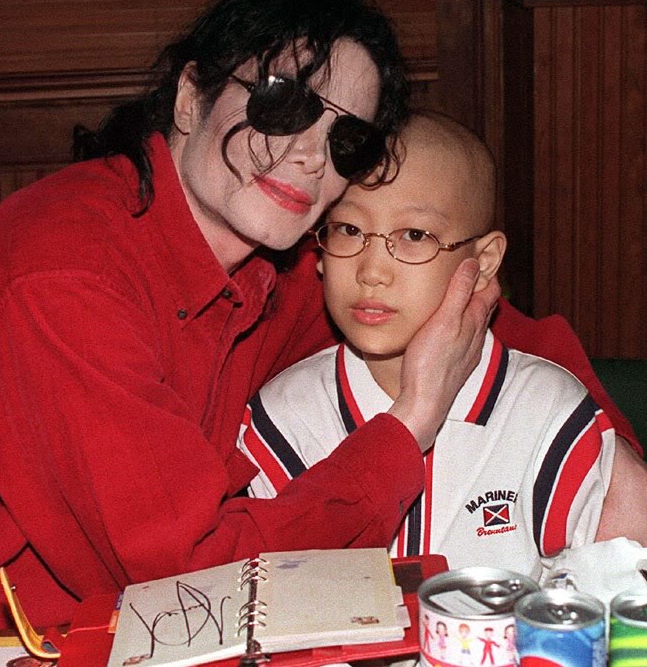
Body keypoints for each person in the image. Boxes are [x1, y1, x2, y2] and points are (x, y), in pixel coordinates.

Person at [0, 0, 639, 635]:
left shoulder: (277, 266)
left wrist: (610, 455)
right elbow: (196, 579)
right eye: (280, 102)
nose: (308, 153)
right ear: (190, 97)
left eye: (345, 139)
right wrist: (411, 425)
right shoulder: (66, 282)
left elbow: (471, 316)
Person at [238, 111, 646, 583]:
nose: (372, 272)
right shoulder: (283, 419)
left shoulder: (547, 412)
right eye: (349, 230)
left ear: (485, 261)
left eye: (414, 236)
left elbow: (615, 588)